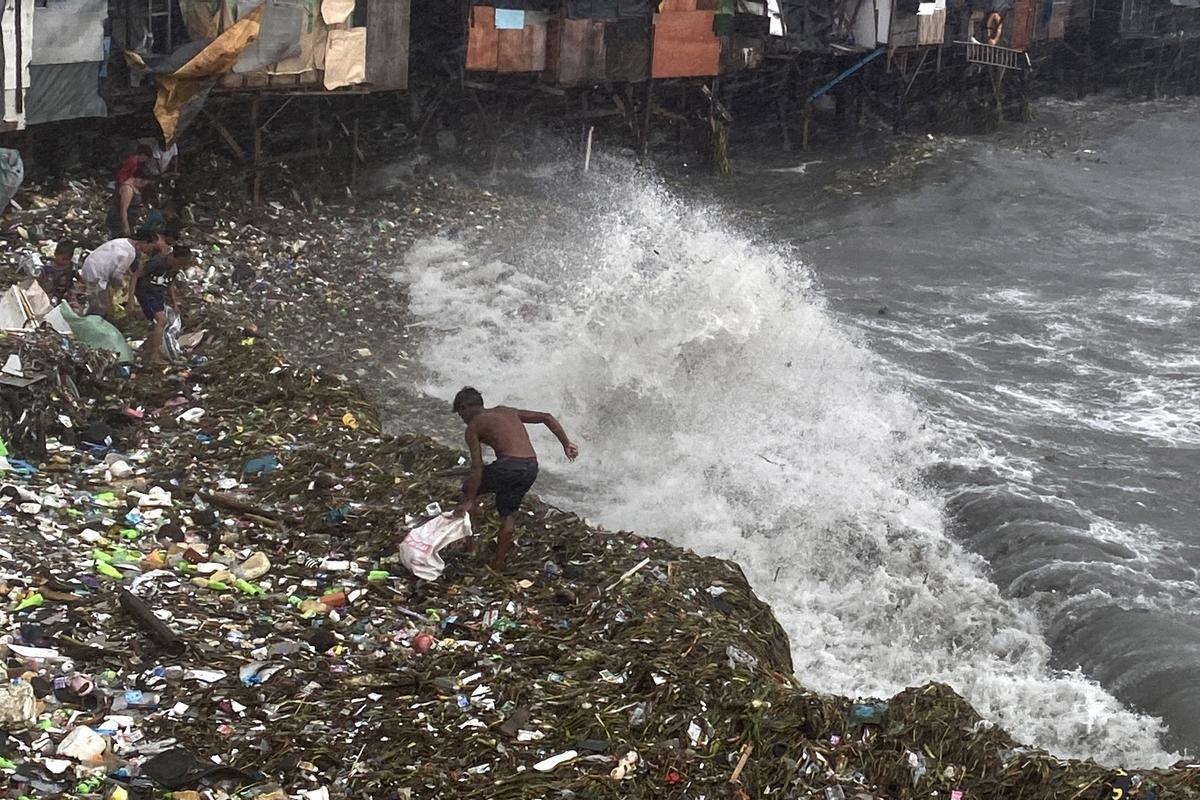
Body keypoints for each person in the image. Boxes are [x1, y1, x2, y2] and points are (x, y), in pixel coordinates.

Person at [452, 387, 579, 568]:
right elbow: (546, 417)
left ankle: (470, 546)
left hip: (509, 466)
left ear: (466, 407)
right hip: (531, 466)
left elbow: (477, 467)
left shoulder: (473, 427)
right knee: (507, 513)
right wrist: (566, 444)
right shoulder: (505, 411)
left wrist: (470, 499)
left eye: (460, 414)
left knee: (467, 490)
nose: (462, 419)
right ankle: (499, 562)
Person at [127, 244, 194, 365]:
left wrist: (174, 303)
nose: (182, 266)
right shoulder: (157, 262)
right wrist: (131, 300)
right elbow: (135, 276)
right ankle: (154, 355)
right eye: (181, 263)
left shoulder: (174, 268)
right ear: (173, 257)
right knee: (161, 320)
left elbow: (170, 284)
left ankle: (147, 352)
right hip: (146, 293)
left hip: (157, 296)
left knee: (162, 323)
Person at [80, 232, 158, 319]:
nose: (151, 250)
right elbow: (116, 276)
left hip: (89, 265)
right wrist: (122, 286)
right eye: (152, 246)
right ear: (145, 242)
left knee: (95, 299)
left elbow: (117, 260)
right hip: (97, 275)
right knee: (101, 307)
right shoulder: (130, 253)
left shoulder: (123, 241)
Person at [107, 165, 155, 239]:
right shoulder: (128, 189)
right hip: (119, 221)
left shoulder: (135, 187)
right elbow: (123, 210)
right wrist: (125, 227)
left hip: (130, 220)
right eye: (143, 181)